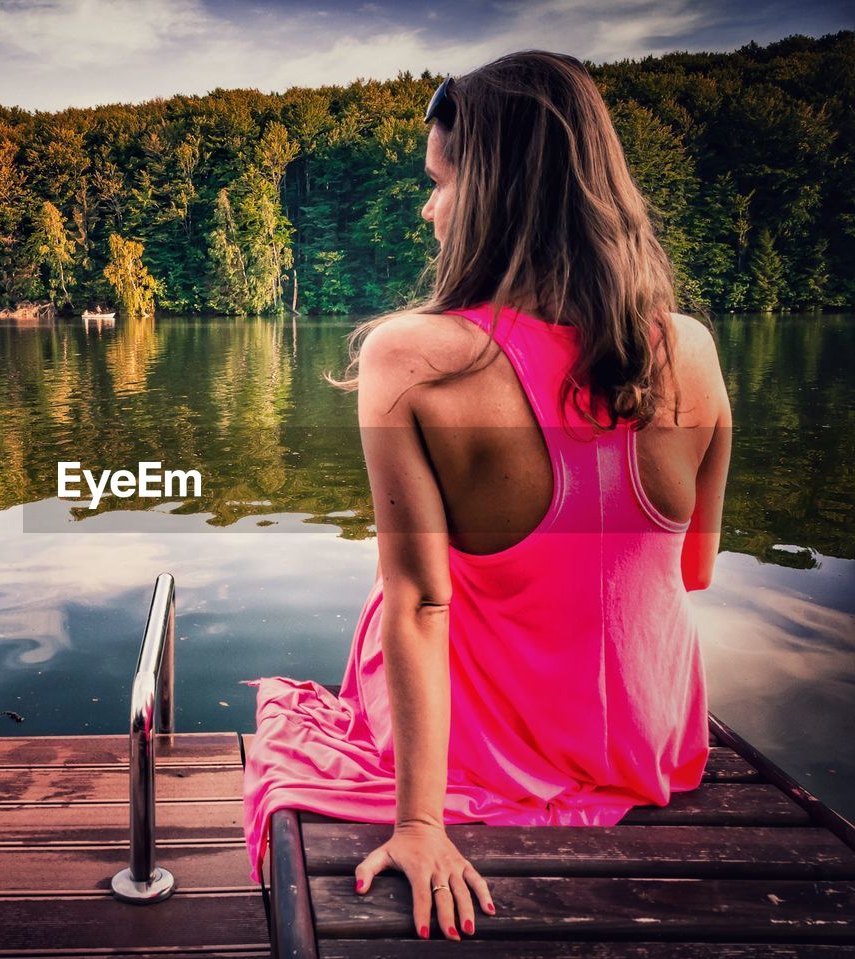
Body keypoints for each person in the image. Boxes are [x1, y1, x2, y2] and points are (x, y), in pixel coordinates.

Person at [240, 50, 732, 943]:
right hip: (656, 746)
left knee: (399, 597)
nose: (428, 208)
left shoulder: (413, 357)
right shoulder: (693, 348)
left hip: (499, 750)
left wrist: (420, 825)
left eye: (439, 183)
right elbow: (693, 568)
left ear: (499, 192)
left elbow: (423, 605)